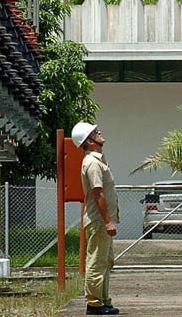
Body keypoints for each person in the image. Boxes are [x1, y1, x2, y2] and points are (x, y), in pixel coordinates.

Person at [72, 121, 120, 315]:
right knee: (97, 261)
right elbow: (98, 193)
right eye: (94, 132)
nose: (99, 132)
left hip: (103, 219)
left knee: (106, 261)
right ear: (89, 141)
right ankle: (94, 303)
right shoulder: (92, 162)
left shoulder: (98, 160)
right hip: (99, 220)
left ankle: (103, 300)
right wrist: (108, 221)